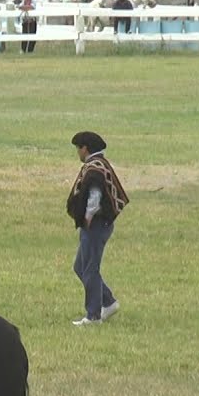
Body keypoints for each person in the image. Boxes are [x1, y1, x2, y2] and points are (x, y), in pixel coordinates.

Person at [66, 132, 129, 327]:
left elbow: (94, 197)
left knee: (90, 270)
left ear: (85, 148)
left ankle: (93, 316)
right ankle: (108, 302)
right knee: (80, 267)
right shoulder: (100, 165)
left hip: (95, 225)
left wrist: (87, 218)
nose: (78, 152)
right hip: (97, 226)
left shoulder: (94, 169)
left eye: (78, 148)